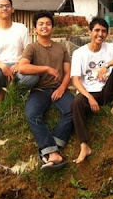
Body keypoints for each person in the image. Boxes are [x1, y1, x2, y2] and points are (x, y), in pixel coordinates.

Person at [18, 10, 74, 173]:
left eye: (48, 24)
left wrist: (63, 88)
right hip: (39, 90)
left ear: (52, 28)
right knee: (32, 115)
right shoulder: (32, 48)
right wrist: (46, 69)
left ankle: (50, 149)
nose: (44, 27)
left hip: (59, 88)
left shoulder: (61, 47)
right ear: (35, 29)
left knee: (72, 110)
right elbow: (22, 67)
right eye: (41, 24)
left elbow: (68, 72)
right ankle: (53, 153)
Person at [71, 17, 113, 163]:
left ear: (107, 33)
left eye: (104, 31)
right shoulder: (79, 53)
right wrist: (89, 97)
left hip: (106, 91)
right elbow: (75, 80)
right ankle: (84, 145)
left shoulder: (109, 47)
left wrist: (107, 65)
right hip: (88, 93)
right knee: (76, 103)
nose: (100, 34)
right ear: (89, 32)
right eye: (97, 30)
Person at [0, 0, 38, 104]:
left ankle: (14, 95)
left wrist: (19, 64)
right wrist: (2, 66)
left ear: (12, 9)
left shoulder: (21, 28)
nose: (4, 8)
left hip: (18, 65)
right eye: (1, 6)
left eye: (7, 5)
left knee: (33, 77)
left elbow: (27, 51)